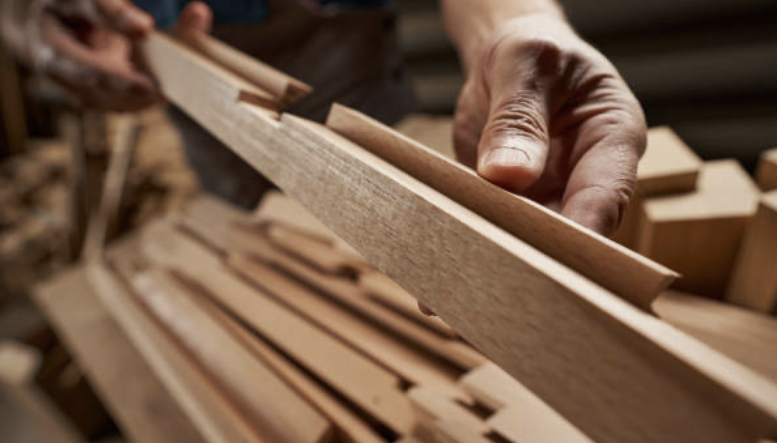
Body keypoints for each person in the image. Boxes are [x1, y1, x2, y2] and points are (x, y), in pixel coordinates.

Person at [0, 0, 646, 235]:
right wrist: (26, 18)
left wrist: (516, 24)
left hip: (339, 41)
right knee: (251, 222)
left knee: (387, 215)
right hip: (168, 50)